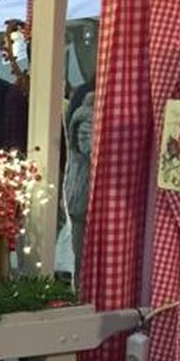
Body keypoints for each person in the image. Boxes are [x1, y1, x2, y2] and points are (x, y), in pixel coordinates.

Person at [64, 81, 95, 280]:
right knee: (81, 253)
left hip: (80, 189)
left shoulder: (82, 107)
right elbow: (89, 148)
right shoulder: (88, 113)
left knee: (81, 251)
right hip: (83, 191)